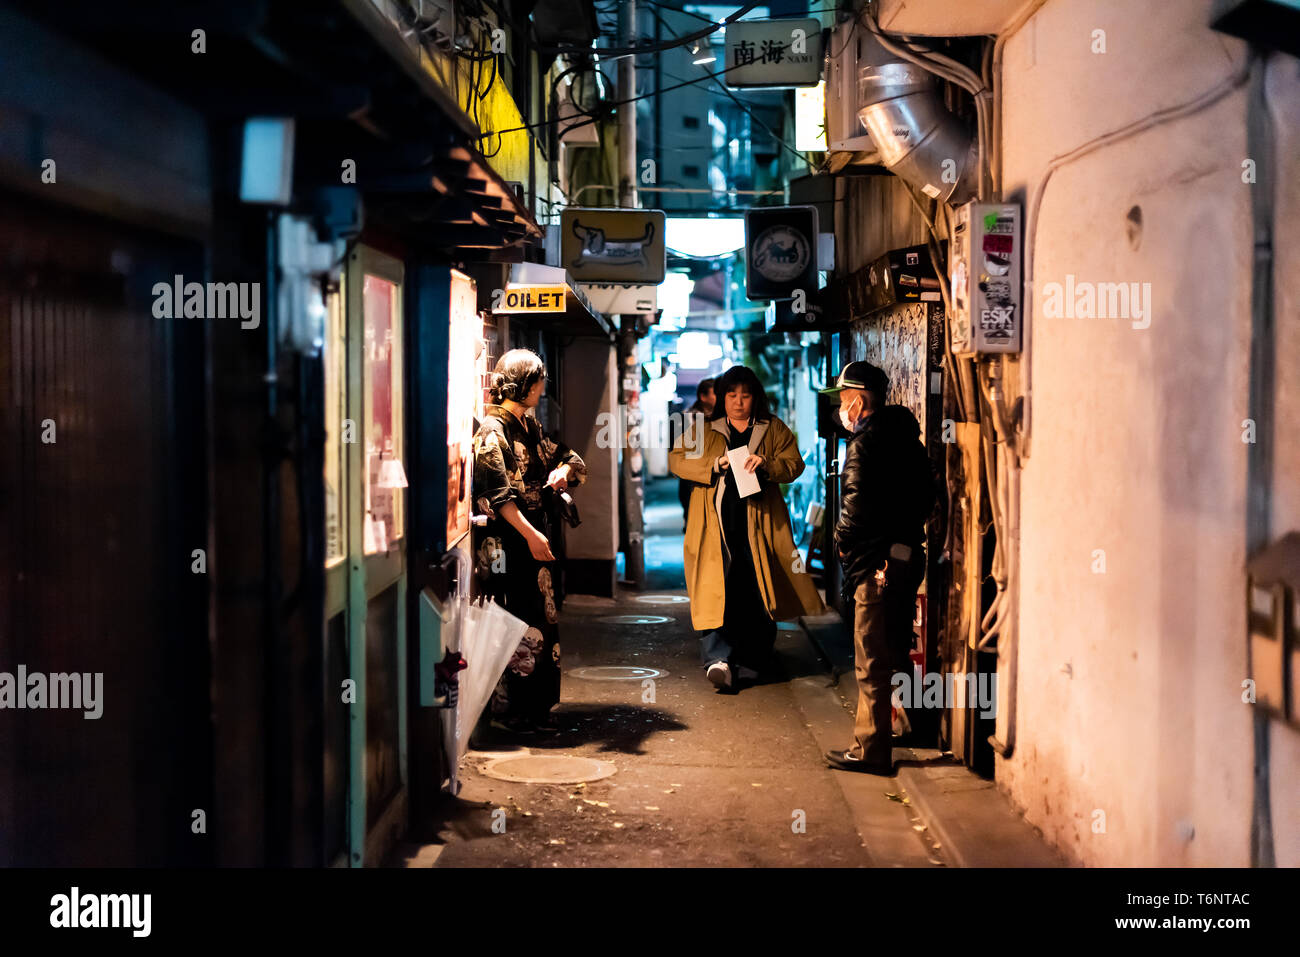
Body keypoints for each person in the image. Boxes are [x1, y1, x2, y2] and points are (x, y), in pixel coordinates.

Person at [669, 365, 824, 692]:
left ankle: (755, 657)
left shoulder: (773, 429)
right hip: (715, 528)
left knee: (757, 589)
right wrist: (714, 464)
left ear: (755, 398)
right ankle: (718, 660)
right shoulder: (703, 429)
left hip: (760, 527)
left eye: (746, 395)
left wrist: (767, 463)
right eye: (731, 394)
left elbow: (794, 464)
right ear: (722, 397)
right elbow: (677, 460)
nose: (738, 402)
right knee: (715, 590)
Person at [819, 361, 935, 774]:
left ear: (859, 399)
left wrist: (843, 546)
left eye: (844, 399)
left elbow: (853, 510)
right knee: (898, 648)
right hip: (907, 559)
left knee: (872, 659)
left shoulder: (864, 445)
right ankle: (912, 725)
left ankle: (870, 750)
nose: (841, 408)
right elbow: (927, 498)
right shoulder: (909, 439)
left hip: (876, 567)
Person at [471, 349, 587, 734]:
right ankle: (513, 714)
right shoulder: (493, 430)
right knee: (516, 621)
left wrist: (564, 471)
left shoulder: (529, 425)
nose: (541, 387)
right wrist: (533, 535)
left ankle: (536, 708)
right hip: (507, 544)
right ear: (523, 383)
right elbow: (498, 495)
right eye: (537, 380)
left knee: (541, 620)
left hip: (531, 539)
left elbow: (566, 454)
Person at [677, 378, 715, 531]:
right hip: (693, 468)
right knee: (689, 499)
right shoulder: (689, 417)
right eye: (714, 394)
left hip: (711, 467)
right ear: (703, 396)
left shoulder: (720, 416)